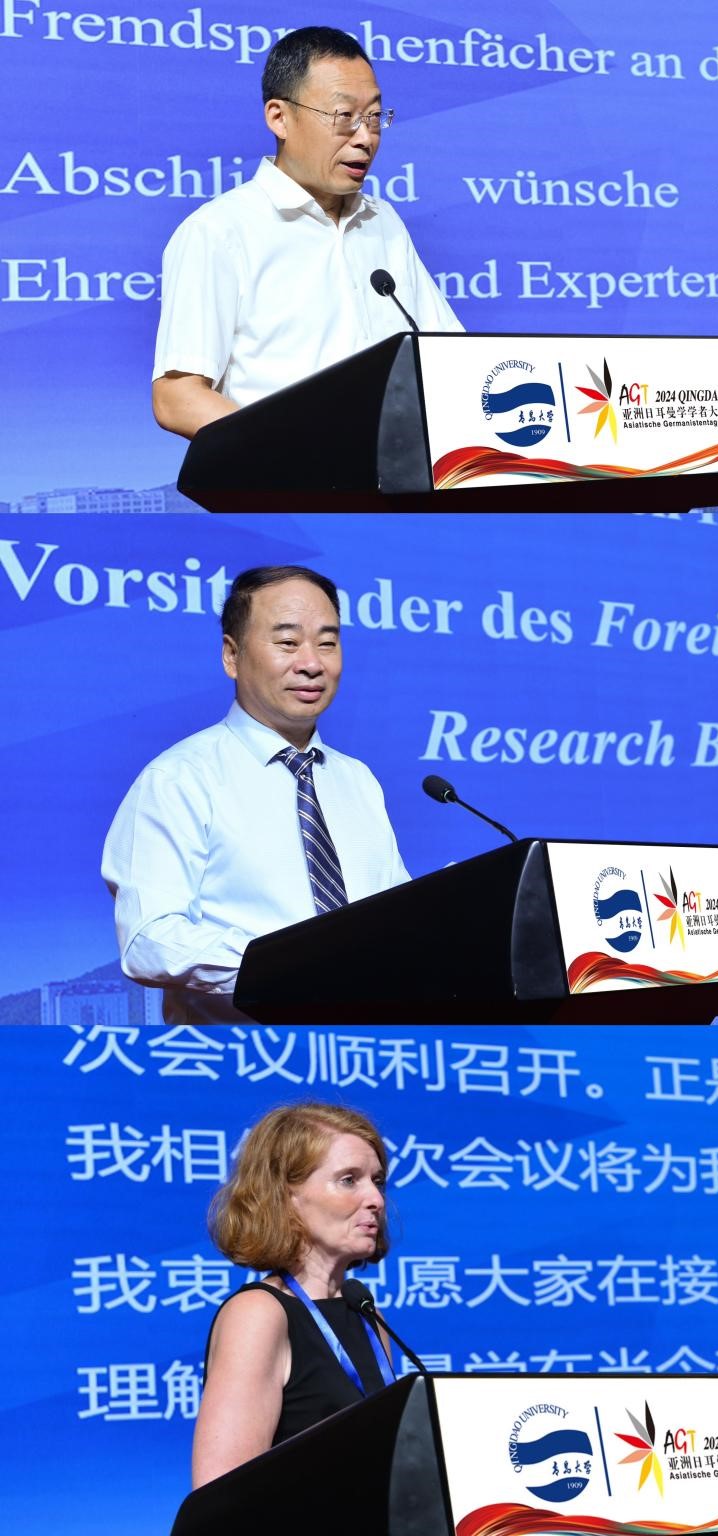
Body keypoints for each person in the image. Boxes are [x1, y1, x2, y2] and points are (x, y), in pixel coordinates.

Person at [101, 564, 409, 1023]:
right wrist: (290, 964)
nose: (312, 663)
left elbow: (394, 919)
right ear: (232, 655)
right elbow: (149, 940)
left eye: (327, 643)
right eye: (287, 642)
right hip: (245, 1052)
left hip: (361, 1044)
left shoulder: (357, 780)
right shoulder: (179, 778)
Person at [152, 25, 463, 440]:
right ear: (279, 118)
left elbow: (451, 353)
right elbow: (176, 397)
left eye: (374, 117)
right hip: (286, 477)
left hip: (396, 469)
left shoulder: (382, 221)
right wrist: (292, 452)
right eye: (344, 117)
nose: (366, 138)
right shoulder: (220, 231)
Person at [194, 1101, 395, 1487]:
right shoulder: (258, 1315)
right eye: (349, 1180)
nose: (376, 1200)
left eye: (378, 1181)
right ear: (286, 1196)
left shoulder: (365, 1312)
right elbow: (220, 1494)